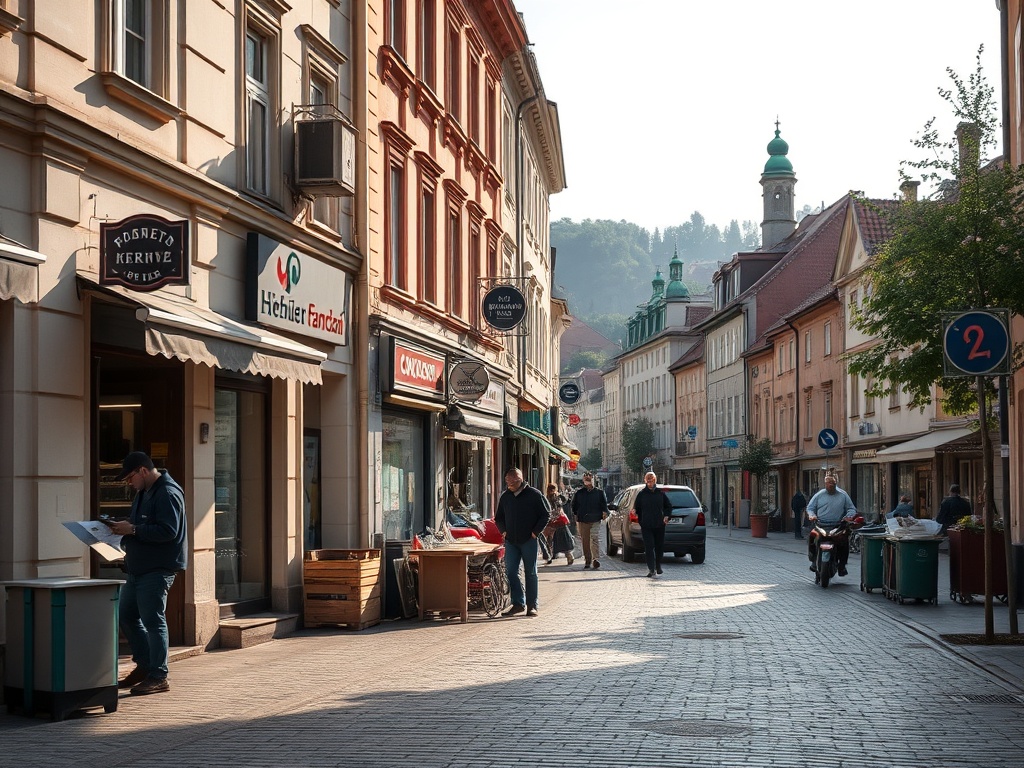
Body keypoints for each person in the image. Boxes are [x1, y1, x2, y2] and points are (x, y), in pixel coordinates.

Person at [105, 451, 188, 696]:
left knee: (153, 620)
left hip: (157, 569)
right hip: (138, 568)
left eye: (130, 478)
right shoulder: (144, 492)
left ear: (142, 471)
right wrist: (123, 528)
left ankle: (158, 675)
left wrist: (132, 529)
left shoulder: (167, 493)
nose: (129, 483)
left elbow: (168, 531)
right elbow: (141, 525)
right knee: (127, 615)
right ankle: (144, 666)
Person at [494, 468, 550, 617]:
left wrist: (535, 532)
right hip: (511, 541)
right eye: (508, 482)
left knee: (530, 573)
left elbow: (546, 514)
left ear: (520, 480)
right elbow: (498, 517)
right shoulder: (506, 497)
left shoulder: (534, 495)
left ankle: (532, 605)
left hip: (528, 540)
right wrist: (503, 531)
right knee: (511, 571)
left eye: (513, 482)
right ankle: (518, 603)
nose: (510, 485)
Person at [805, 475, 857, 576]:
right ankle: (813, 560)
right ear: (825, 484)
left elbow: (851, 508)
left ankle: (842, 565)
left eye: (833, 484)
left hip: (837, 525)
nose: (831, 486)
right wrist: (812, 515)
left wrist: (848, 516)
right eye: (829, 484)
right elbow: (810, 508)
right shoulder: (819, 495)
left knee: (844, 542)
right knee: (812, 538)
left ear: (836, 484)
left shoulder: (843, 495)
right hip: (821, 525)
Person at [631, 471, 672, 578]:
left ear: (655, 480)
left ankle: (658, 566)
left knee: (659, 547)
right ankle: (651, 568)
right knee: (649, 547)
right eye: (648, 479)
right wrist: (635, 511)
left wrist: (667, 516)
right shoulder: (641, 494)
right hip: (646, 525)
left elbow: (668, 506)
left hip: (659, 524)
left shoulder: (660, 493)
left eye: (652, 479)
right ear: (645, 480)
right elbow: (637, 507)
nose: (650, 481)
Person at [572, 472, 609, 569]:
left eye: (589, 479)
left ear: (593, 480)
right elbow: (574, 506)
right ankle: (587, 560)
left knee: (594, 538)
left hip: (595, 519)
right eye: (586, 479)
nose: (588, 481)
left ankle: (595, 559)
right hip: (583, 520)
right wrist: (576, 515)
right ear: (583, 481)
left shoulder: (599, 493)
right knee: (585, 541)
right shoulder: (579, 493)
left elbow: (604, 505)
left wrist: (605, 512)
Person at [542, 483, 574, 566]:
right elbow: (565, 501)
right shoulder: (557, 497)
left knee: (549, 539)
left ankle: (549, 556)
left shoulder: (548, 498)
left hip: (551, 521)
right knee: (563, 539)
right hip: (559, 520)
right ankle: (568, 555)